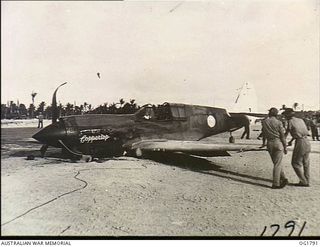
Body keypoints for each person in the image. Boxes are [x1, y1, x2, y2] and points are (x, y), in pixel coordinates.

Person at [283, 108, 311, 187]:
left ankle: (303, 182)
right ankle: (307, 180)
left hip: (300, 142)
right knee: (306, 163)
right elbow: (299, 132)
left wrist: (282, 142)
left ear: (288, 115)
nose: (284, 116)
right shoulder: (300, 120)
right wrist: (291, 141)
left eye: (285, 115)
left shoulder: (289, 121)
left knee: (295, 163)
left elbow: (287, 133)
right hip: (307, 141)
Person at [262, 107, 288, 189]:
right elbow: (282, 136)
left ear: (269, 113)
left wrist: (263, 144)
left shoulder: (264, 122)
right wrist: (285, 146)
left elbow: (264, 134)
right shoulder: (279, 122)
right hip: (278, 143)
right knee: (277, 164)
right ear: (276, 114)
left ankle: (283, 178)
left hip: (269, 143)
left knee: (276, 163)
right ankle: (276, 184)